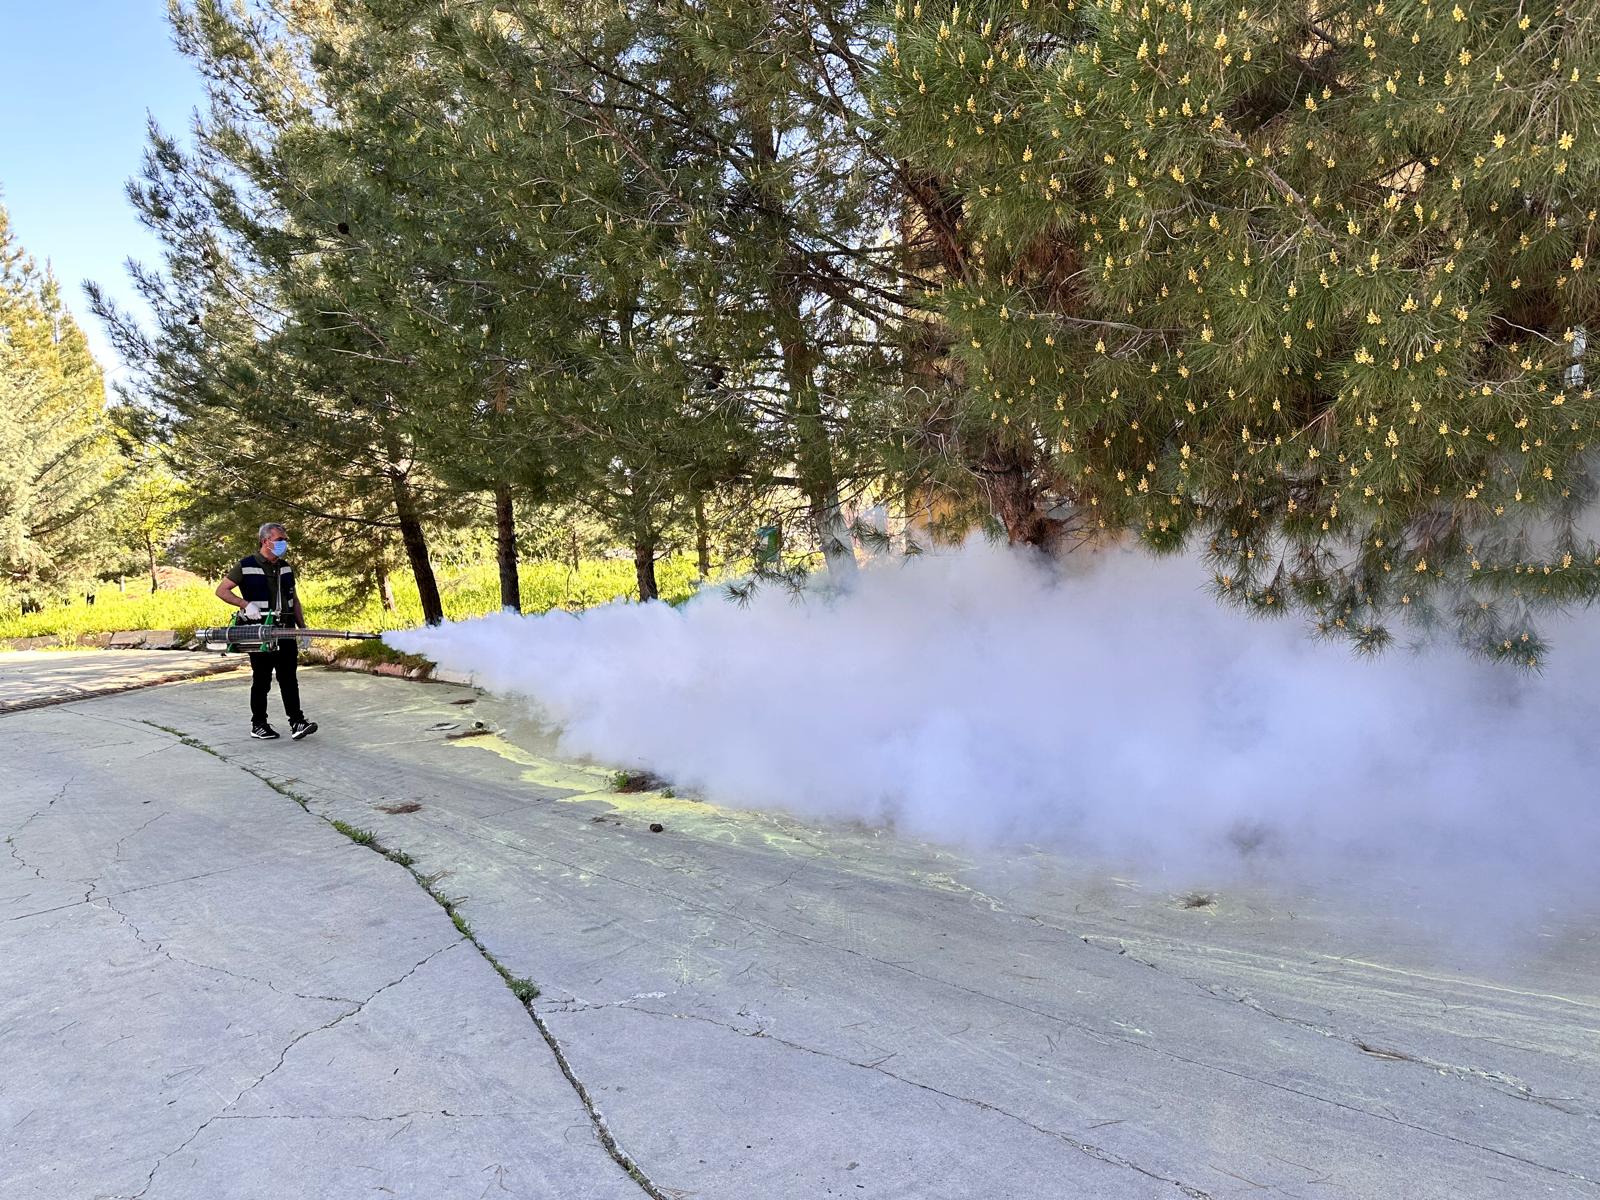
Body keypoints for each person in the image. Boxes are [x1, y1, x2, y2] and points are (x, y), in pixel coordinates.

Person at [215, 522, 318, 741]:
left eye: (285, 540)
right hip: (260, 633)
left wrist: (303, 628)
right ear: (266, 541)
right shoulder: (246, 565)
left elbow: (294, 600)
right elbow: (221, 591)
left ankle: (297, 722)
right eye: (280, 540)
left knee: (289, 678)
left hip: (285, 631)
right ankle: (259, 724)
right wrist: (245, 605)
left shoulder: (285, 567)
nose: (284, 544)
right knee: (262, 679)